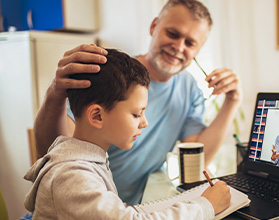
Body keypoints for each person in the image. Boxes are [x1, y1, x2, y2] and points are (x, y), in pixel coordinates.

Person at [33, 0, 241, 205]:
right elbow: (57, 152)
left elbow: (198, 158)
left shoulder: (189, 89)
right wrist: (54, 94)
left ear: (198, 50)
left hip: (134, 208)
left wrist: (232, 101)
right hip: (88, 206)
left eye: (190, 43)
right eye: (173, 34)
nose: (178, 47)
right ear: (154, 27)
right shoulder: (111, 77)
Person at [24, 49, 231, 219]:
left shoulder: (90, 159)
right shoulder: (72, 176)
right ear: (97, 116)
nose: (145, 122)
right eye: (136, 114)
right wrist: (206, 206)